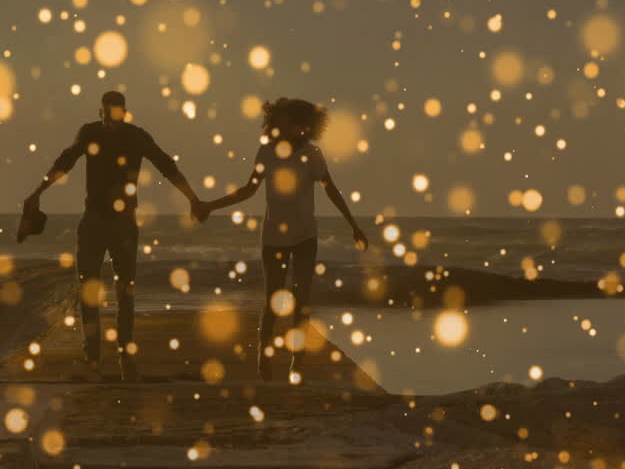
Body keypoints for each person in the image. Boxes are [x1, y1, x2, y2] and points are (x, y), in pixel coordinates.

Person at [19, 90, 205, 381]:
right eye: (108, 117)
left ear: (125, 113)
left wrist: (193, 199)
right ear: (100, 113)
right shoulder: (89, 133)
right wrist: (37, 193)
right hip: (93, 221)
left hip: (124, 224)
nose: (112, 123)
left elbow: (166, 166)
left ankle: (125, 358)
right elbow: (65, 161)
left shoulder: (137, 136)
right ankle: (93, 359)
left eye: (117, 116)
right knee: (88, 292)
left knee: (125, 293)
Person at [194, 98, 368, 382]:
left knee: (301, 302)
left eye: (297, 122)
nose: (291, 127)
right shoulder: (266, 153)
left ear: (306, 126)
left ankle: (297, 363)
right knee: (273, 300)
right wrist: (211, 206)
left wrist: (354, 225)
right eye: (286, 121)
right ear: (276, 123)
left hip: (305, 237)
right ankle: (265, 354)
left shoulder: (312, 154)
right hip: (274, 237)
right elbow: (248, 190)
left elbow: (331, 190)